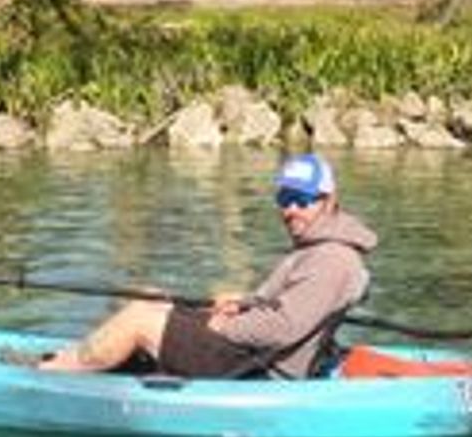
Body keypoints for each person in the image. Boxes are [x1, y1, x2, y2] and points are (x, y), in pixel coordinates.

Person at [38, 152, 375, 377]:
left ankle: (53, 375)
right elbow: (288, 306)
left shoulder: (331, 259)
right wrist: (243, 303)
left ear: (329, 200)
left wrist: (224, 326)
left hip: (256, 367)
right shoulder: (318, 249)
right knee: (150, 298)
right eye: (285, 200)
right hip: (248, 350)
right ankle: (88, 359)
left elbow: (283, 327)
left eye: (303, 200)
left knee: (141, 319)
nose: (291, 210)